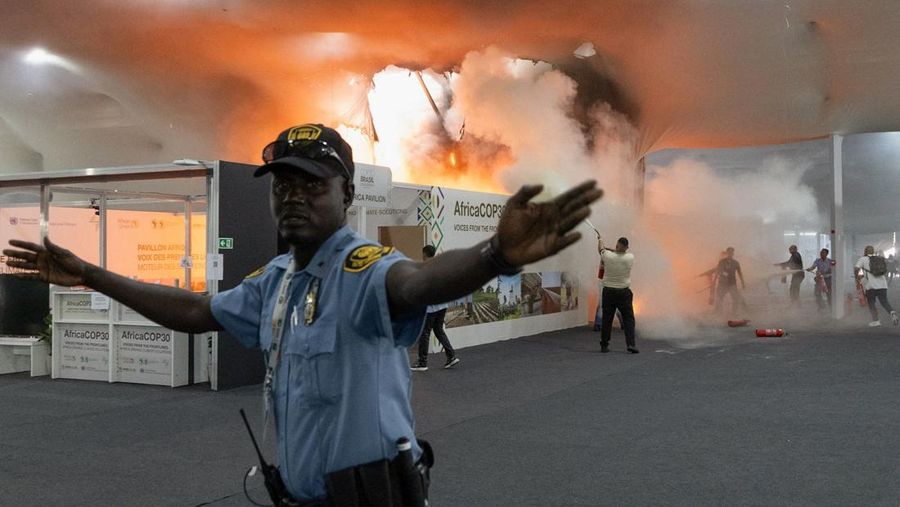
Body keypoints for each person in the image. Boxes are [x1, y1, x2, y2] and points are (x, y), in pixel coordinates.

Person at [3, 123, 602, 506]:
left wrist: (494, 254)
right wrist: (90, 274)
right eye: (281, 185)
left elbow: (417, 283)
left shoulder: (363, 268)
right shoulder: (276, 281)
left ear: (345, 193)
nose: (292, 196)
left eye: (311, 184)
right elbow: (195, 310)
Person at [411, 245, 459, 371]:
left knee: (424, 333)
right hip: (442, 305)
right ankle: (451, 356)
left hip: (431, 308)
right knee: (438, 330)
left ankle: (422, 362)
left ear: (425, 254)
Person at [597, 236, 638, 354]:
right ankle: (631, 344)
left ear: (616, 245)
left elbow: (600, 250)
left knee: (607, 319)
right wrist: (612, 249)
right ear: (627, 248)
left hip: (609, 292)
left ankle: (604, 345)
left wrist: (600, 242)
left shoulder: (608, 256)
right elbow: (617, 252)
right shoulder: (630, 257)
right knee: (629, 319)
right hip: (624, 293)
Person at [854, 245, 898, 327]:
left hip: (871, 286)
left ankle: (876, 320)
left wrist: (857, 278)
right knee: (884, 301)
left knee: (871, 303)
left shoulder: (863, 259)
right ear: (873, 251)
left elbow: (856, 268)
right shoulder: (880, 258)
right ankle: (892, 312)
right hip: (883, 284)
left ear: (865, 251)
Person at [714, 247, 746, 315]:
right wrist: (715, 281)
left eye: (732, 253)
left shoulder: (736, 263)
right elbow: (718, 271)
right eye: (729, 252)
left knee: (735, 299)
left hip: (732, 284)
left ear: (733, 253)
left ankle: (733, 314)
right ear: (727, 253)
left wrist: (743, 282)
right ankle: (718, 314)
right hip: (722, 284)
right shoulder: (722, 262)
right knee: (719, 298)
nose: (730, 254)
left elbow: (740, 273)